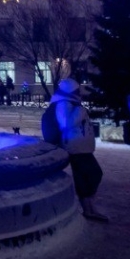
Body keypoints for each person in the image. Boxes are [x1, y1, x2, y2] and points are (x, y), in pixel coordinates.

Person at [51, 77, 108, 222]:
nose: (79, 92)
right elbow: (65, 124)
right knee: (93, 174)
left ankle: (89, 207)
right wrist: (80, 110)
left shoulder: (71, 103)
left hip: (81, 146)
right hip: (75, 147)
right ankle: (88, 207)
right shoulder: (63, 104)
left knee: (87, 176)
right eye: (77, 90)